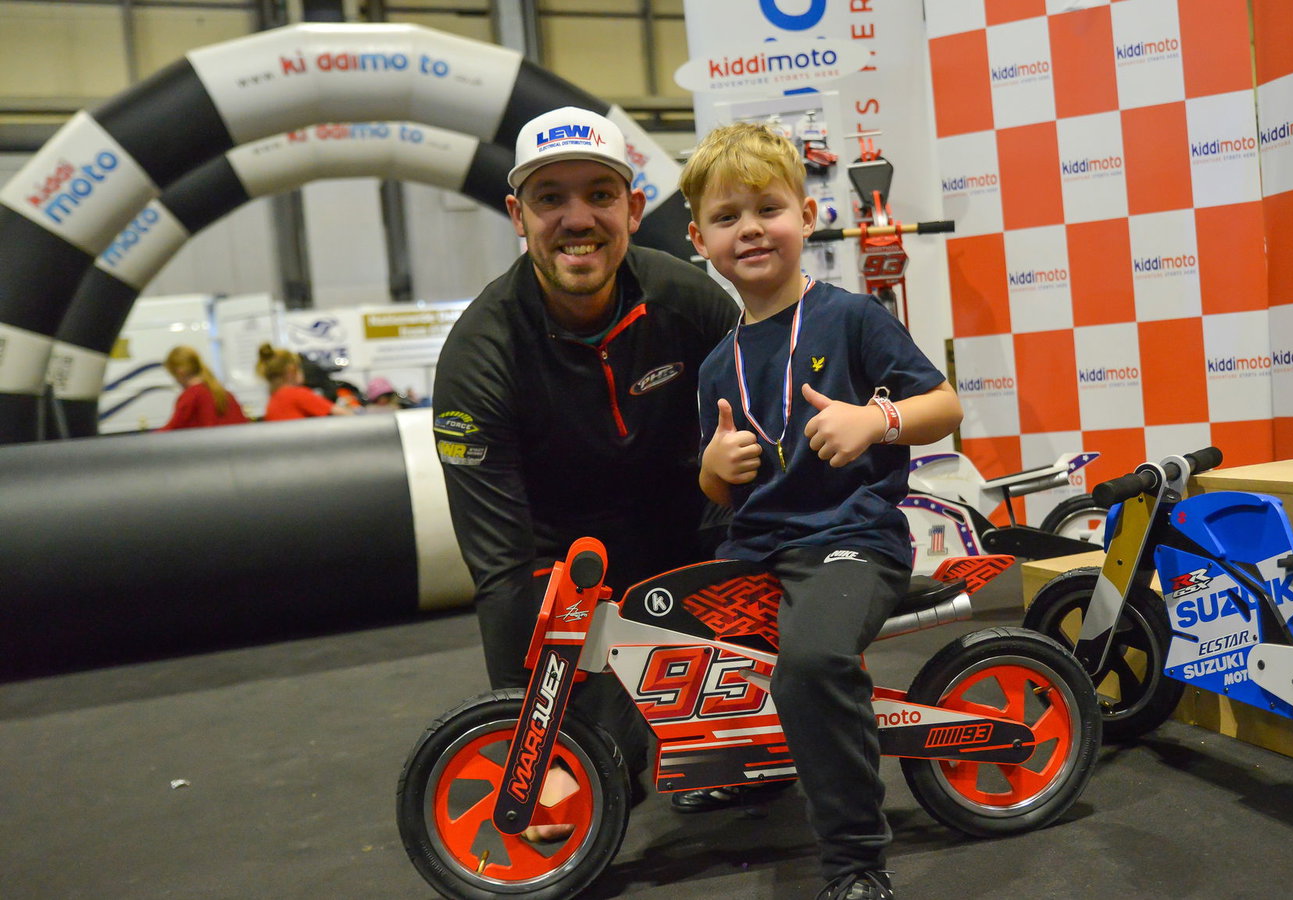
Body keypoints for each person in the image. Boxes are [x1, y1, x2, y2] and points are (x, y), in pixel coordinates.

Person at [428, 106, 741, 839]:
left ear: (633, 207)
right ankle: (588, 747)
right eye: (550, 199)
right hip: (564, 575)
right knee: (599, 781)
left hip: (686, 539)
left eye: (599, 195)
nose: (578, 219)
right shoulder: (478, 357)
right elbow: (501, 569)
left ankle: (740, 731)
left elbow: (761, 442)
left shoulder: (689, 302)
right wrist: (530, 748)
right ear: (516, 214)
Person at [682, 122, 963, 900]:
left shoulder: (852, 319)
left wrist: (877, 421)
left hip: (851, 538)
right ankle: (746, 770)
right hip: (759, 543)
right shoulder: (715, 364)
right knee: (662, 631)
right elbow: (724, 488)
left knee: (811, 663)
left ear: (807, 218)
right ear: (698, 238)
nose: (750, 228)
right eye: (728, 216)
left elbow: (944, 402)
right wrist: (711, 471)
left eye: (768, 207)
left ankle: (855, 864)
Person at [156, 345, 250, 430]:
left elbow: (171, 430)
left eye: (173, 375)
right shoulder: (224, 393)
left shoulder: (191, 396)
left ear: (180, 372)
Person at [256, 344, 353, 421]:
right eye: (299, 366)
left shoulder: (273, 399)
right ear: (291, 371)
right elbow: (346, 415)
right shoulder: (297, 394)